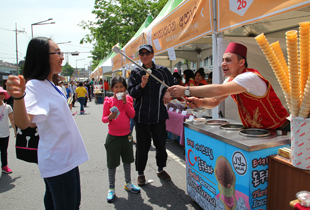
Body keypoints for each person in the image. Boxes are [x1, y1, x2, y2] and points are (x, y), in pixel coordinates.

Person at [6, 37, 89, 209]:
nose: (62, 57)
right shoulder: (34, 86)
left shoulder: (53, 85)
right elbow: (24, 123)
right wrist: (19, 97)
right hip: (59, 164)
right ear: (42, 57)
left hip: (68, 161)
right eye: (57, 52)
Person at [168, 42, 290, 130]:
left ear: (241, 62)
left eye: (228, 60)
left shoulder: (249, 77)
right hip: (261, 131)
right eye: (223, 60)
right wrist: (200, 103)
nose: (223, 64)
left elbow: (219, 89)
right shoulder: (231, 80)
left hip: (281, 129)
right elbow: (215, 100)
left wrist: (186, 90)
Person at [128, 44, 176, 186]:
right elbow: (132, 93)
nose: (144, 56)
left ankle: (160, 169)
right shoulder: (136, 72)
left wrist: (169, 92)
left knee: (161, 145)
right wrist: (141, 85)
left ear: (152, 54)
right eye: (141, 53)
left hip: (159, 116)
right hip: (141, 117)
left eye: (147, 53)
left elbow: (174, 84)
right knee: (142, 147)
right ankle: (140, 173)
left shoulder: (162, 71)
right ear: (139, 56)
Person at [102, 76, 140, 203]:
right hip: (113, 137)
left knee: (127, 161)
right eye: (116, 87)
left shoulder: (128, 99)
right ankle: (111, 188)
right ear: (112, 88)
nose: (119, 89)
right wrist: (109, 117)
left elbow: (132, 115)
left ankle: (128, 183)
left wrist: (125, 103)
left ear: (125, 88)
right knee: (112, 164)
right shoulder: (108, 101)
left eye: (121, 86)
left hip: (127, 136)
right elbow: (103, 119)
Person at [0, 87, 16, 174]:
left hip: (5, 133)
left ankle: (4, 166)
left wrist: (15, 129)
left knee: (4, 151)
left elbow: (12, 119)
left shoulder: (7, 107)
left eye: (2, 95)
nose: (0, 96)